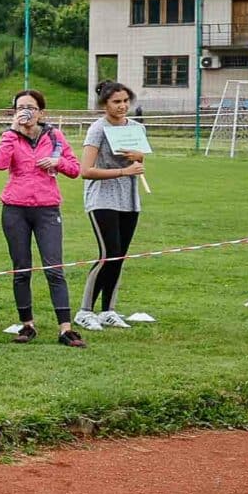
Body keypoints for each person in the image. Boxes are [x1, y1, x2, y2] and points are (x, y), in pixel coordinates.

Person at [0, 89, 83, 346]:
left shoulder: (55, 136)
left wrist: (57, 163)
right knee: (21, 269)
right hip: (15, 209)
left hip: (47, 209)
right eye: (21, 107)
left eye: (31, 107)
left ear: (41, 112)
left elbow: (75, 169)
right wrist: (12, 131)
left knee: (54, 269)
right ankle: (27, 325)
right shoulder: (10, 136)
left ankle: (65, 328)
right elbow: (0, 164)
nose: (26, 112)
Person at [81, 81, 148, 329]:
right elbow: (85, 170)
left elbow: (140, 162)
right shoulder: (97, 129)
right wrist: (123, 170)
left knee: (119, 257)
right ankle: (85, 310)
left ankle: (108, 310)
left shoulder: (137, 128)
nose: (122, 106)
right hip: (102, 199)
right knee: (108, 254)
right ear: (105, 104)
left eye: (125, 101)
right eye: (116, 102)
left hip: (129, 200)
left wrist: (138, 158)